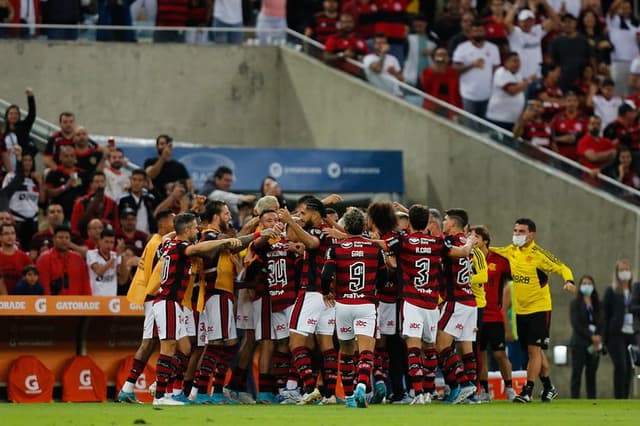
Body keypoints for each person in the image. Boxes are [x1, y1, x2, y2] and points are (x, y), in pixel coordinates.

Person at [150, 212, 241, 405]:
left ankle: (161, 383)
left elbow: (168, 238)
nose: (197, 230)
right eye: (194, 228)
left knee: (184, 348)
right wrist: (223, 243)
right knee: (168, 348)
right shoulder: (182, 246)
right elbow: (198, 248)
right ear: (187, 230)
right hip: (167, 301)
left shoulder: (167, 244)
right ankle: (159, 395)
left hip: (172, 303)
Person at [491, 218, 576, 403]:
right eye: (515, 230)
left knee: (533, 350)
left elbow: (562, 267)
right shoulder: (511, 251)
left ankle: (527, 391)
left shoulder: (539, 254)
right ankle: (548, 386)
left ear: (532, 235)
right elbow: (492, 250)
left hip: (540, 308)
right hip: (521, 311)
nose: (517, 234)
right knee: (535, 352)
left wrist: (569, 281)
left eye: (521, 231)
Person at [321, 208, 386, 408]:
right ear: (364, 226)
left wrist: (326, 292)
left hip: (343, 305)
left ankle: (349, 397)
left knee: (347, 351)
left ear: (346, 226)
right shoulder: (375, 249)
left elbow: (325, 276)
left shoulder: (336, 248)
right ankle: (361, 386)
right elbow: (383, 279)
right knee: (366, 351)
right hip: (366, 304)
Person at [280, 197, 339, 405]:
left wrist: (291, 220)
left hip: (312, 292)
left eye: (303, 213)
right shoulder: (333, 233)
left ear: (315, 214)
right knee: (326, 344)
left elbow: (312, 242)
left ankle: (309, 388)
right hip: (329, 295)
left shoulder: (317, 231)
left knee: (295, 342)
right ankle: (330, 394)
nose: (301, 217)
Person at [117, 210, 174, 404]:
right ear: (164, 224)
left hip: (152, 297)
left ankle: (129, 388)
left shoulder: (153, 241)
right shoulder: (159, 243)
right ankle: (159, 387)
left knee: (152, 343)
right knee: (160, 342)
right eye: (173, 221)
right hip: (155, 297)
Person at [470, 225, 516, 402]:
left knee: (499, 354)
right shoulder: (469, 257)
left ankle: (510, 388)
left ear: (485, 240)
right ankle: (485, 391)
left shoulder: (501, 261)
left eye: (475, 237)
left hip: (494, 315)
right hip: (476, 313)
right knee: (479, 354)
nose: (472, 240)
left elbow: (513, 278)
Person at [452, 20, 501, 121]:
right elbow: (455, 68)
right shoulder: (462, 48)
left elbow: (496, 70)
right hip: (468, 94)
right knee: (469, 126)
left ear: (484, 32)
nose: (478, 33)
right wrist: (472, 65)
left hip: (487, 94)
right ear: (470, 33)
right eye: (475, 31)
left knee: (484, 126)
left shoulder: (493, 48)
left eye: (480, 31)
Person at [602, 259, 637, 399]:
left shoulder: (635, 290)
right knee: (620, 365)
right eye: (621, 270)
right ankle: (619, 397)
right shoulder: (611, 291)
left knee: (629, 368)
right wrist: (603, 336)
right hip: (616, 335)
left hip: (632, 334)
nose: (625, 272)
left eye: (627, 269)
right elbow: (605, 314)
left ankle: (626, 398)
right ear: (617, 273)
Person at [1, 145, 44, 251]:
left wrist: (41, 183)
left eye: (30, 160)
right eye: (25, 160)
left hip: (33, 221)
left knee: (32, 251)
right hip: (17, 221)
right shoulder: (11, 176)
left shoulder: (35, 179)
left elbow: (42, 201)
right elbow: (4, 196)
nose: (28, 162)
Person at [570, 275, 604, 399]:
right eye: (584, 283)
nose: (587, 286)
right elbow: (576, 324)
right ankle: (575, 398)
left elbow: (602, 323)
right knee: (577, 373)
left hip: (595, 345)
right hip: (580, 343)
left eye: (589, 283)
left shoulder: (598, 304)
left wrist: (598, 337)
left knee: (591, 374)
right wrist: (591, 336)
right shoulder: (575, 304)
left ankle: (592, 398)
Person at [486, 52, 536, 131]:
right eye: (514, 61)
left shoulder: (518, 75)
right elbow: (512, 91)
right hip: (498, 120)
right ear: (506, 62)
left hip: (512, 120)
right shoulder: (500, 73)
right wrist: (528, 81)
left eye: (519, 61)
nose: (518, 64)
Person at [505, 5, 558, 79]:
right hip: (519, 77)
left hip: (537, 76)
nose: (527, 23)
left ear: (534, 21)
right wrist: (516, 6)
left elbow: (554, 20)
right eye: (524, 21)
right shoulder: (515, 32)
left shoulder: (537, 31)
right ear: (518, 22)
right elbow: (506, 23)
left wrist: (544, 3)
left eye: (530, 21)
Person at [36, 226, 91, 296]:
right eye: (60, 237)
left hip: (77, 303)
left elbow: (85, 283)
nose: (64, 240)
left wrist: (88, 301)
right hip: (54, 304)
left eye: (67, 238)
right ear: (54, 239)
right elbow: (44, 285)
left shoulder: (78, 258)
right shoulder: (44, 259)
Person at [547, 13, 591, 93]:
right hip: (561, 80)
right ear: (561, 24)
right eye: (565, 22)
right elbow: (550, 62)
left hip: (580, 80)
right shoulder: (555, 41)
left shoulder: (583, 40)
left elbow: (590, 59)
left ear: (575, 23)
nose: (567, 24)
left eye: (570, 22)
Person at [70, 171, 119, 239]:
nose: (99, 184)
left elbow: (116, 226)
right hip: (85, 241)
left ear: (105, 183)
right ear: (91, 184)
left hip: (106, 242)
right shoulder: (80, 203)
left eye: (102, 181)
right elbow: (74, 227)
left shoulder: (112, 203)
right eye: (96, 182)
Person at [607, 0, 640, 95]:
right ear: (620, 9)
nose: (625, 10)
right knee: (618, 91)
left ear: (631, 10)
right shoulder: (614, 21)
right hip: (618, 61)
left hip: (635, 62)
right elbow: (612, 9)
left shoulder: (636, 23)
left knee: (634, 91)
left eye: (628, 8)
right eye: (623, 8)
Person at [44, 145, 86, 220]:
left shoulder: (82, 173)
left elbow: (88, 192)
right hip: (58, 215)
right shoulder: (54, 173)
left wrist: (82, 198)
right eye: (66, 156)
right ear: (60, 158)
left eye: (72, 156)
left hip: (78, 214)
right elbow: (49, 193)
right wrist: (66, 186)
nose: (69, 159)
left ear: (75, 158)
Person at [144, 134, 191, 200]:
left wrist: (175, 186)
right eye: (162, 144)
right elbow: (150, 175)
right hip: (154, 199)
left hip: (174, 203)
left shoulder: (179, 166)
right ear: (157, 147)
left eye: (167, 144)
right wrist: (163, 157)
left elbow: (189, 185)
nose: (165, 147)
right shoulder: (150, 162)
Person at [419, 48, 462, 118]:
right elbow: (425, 87)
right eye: (439, 55)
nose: (442, 57)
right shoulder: (427, 71)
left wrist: (459, 111)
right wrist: (433, 71)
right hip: (432, 106)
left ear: (448, 58)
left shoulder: (453, 73)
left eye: (444, 55)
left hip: (449, 107)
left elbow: (457, 93)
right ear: (434, 58)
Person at [323, 12, 369, 76]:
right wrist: (342, 56)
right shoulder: (334, 39)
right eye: (344, 22)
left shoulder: (361, 40)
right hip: (338, 74)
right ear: (340, 24)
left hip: (358, 76)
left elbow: (367, 58)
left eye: (350, 22)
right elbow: (326, 58)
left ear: (354, 23)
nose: (347, 25)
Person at [86, 228, 129, 296]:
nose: (109, 245)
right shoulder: (91, 254)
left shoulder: (115, 255)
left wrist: (122, 254)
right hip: (95, 299)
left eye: (112, 242)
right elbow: (99, 271)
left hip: (111, 300)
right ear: (100, 241)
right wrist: (115, 257)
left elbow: (122, 280)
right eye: (106, 242)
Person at [550, 92, 589, 162]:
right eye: (569, 101)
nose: (572, 103)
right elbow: (551, 136)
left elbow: (587, 138)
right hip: (560, 157)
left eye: (574, 101)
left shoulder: (584, 118)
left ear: (578, 103)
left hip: (578, 159)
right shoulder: (557, 118)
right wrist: (560, 139)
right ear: (565, 102)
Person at [363, 33, 404, 97]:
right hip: (378, 95)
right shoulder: (368, 58)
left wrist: (394, 73)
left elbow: (402, 80)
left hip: (396, 95)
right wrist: (383, 53)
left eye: (384, 43)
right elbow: (377, 69)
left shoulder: (393, 58)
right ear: (374, 45)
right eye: (379, 43)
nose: (381, 45)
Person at [118, 169, 158, 235]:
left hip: (148, 236)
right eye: (134, 179)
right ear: (130, 180)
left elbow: (161, 205)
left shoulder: (149, 198)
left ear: (145, 182)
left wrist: (152, 189)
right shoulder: (122, 199)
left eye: (140, 180)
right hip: (130, 236)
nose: (136, 183)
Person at [1, 88, 37, 160]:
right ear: (7, 116)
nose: (13, 116)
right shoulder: (4, 133)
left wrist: (30, 97)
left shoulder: (24, 126)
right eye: (11, 114)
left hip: (24, 162)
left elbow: (32, 114)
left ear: (19, 116)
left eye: (16, 113)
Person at [403, 14, 437, 87]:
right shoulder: (409, 37)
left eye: (421, 22)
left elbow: (440, 52)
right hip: (410, 76)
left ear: (426, 23)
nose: (417, 24)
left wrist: (433, 53)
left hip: (429, 75)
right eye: (416, 22)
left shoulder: (433, 37)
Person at [0, 223, 32, 294]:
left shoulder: (24, 257)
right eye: (6, 234)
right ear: (0, 237)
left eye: (13, 233)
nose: (10, 236)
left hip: (21, 299)